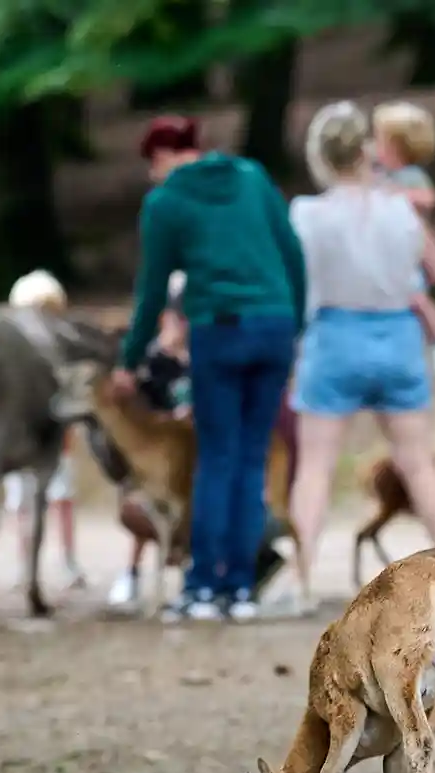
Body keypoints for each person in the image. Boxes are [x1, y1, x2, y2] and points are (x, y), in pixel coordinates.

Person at [114, 114, 306, 623]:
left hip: (218, 331)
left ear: (158, 156)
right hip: (274, 325)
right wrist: (296, 325)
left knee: (217, 458)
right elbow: (291, 254)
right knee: (249, 459)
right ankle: (240, 588)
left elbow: (152, 289)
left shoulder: (165, 202)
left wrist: (131, 360)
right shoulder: (252, 178)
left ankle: (202, 587)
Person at [287, 101, 435, 604]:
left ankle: (301, 579)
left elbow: (297, 280)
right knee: (418, 462)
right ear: (365, 150)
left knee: (315, 466)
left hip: (334, 335)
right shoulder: (399, 207)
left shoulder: (307, 214)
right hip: (397, 336)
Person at [104, 272, 193, 610]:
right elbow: (139, 416)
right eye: (176, 317)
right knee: (144, 502)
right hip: (159, 459)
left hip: (189, 463)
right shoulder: (151, 365)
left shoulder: (204, 362)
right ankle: (132, 572)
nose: (182, 324)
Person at [4, 269, 87, 590]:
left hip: (51, 435)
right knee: (20, 501)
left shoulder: (59, 351)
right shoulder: (10, 354)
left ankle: (67, 559)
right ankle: (23, 563)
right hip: (18, 437)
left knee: (62, 497)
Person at [371, 100, 435, 349]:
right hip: (391, 250)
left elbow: (428, 198)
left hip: (412, 250)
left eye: (380, 141)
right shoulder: (382, 175)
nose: (375, 147)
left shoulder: (411, 176)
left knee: (419, 298)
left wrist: (397, 195)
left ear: (399, 147)